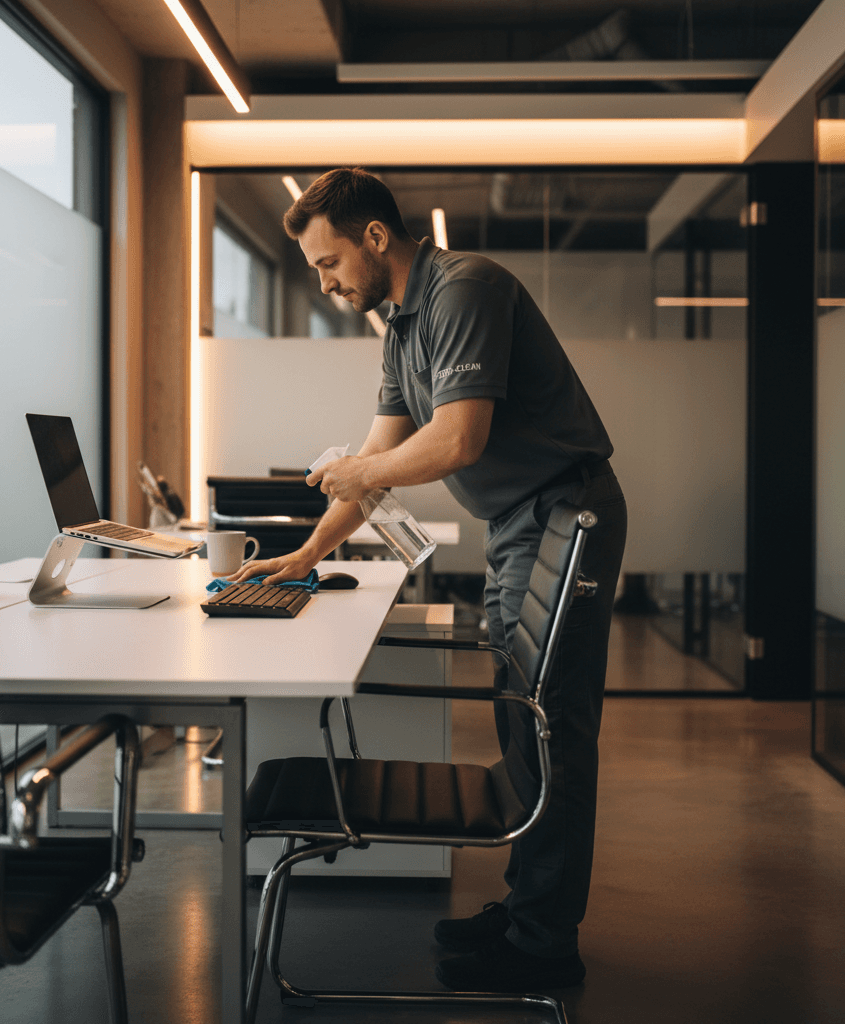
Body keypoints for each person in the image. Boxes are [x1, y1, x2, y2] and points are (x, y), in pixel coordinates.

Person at [228, 167, 627, 992]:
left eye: (327, 262)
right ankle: (528, 914)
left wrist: (355, 476)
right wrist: (308, 555)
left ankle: (546, 941)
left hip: (563, 511)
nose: (325, 281)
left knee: (549, 724)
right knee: (522, 720)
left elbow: (455, 443)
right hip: (518, 520)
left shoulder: (464, 290)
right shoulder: (402, 327)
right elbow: (375, 464)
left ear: (375, 237)